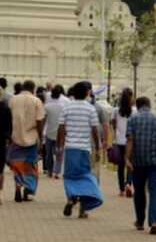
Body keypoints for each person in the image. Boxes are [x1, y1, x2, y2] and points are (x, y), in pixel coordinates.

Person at [125, 97, 156, 235]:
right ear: (149, 105)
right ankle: (154, 222)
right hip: (155, 162)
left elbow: (130, 141)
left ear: (138, 106)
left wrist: (127, 159)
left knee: (139, 192)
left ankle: (140, 221)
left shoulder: (132, 119)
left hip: (138, 162)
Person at [57, 81, 103, 219]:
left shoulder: (66, 107)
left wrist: (59, 146)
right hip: (84, 149)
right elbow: (95, 130)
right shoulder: (90, 109)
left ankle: (70, 198)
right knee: (84, 176)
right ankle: (83, 209)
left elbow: (61, 128)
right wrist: (98, 148)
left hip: (70, 148)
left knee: (70, 176)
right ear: (87, 93)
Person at [7, 79, 45, 202]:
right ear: (33, 89)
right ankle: (28, 190)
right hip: (32, 139)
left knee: (17, 164)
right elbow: (39, 121)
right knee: (30, 166)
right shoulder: (36, 101)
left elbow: (9, 117)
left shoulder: (13, 99)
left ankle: (18, 186)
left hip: (15, 137)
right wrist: (41, 136)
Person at [111, 87, 136, 197]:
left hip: (119, 140)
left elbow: (114, 124)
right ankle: (128, 184)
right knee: (129, 164)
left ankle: (121, 189)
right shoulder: (134, 111)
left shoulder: (116, 110)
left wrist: (116, 134)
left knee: (120, 166)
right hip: (130, 141)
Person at [44, 85, 67, 179]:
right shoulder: (64, 106)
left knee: (48, 154)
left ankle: (49, 171)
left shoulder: (47, 106)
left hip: (49, 132)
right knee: (59, 153)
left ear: (51, 95)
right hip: (61, 133)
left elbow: (44, 120)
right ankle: (57, 172)